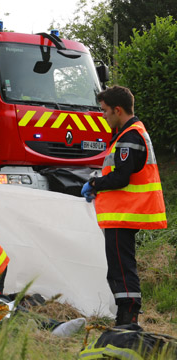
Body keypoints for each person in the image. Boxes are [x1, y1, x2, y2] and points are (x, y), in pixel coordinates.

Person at [81, 86, 167, 326]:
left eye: (105, 111)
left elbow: (121, 177)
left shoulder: (129, 137)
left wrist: (94, 184)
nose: (103, 116)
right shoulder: (127, 133)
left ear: (118, 110)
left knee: (121, 269)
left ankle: (128, 322)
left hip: (124, 214)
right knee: (120, 267)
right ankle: (125, 320)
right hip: (122, 214)